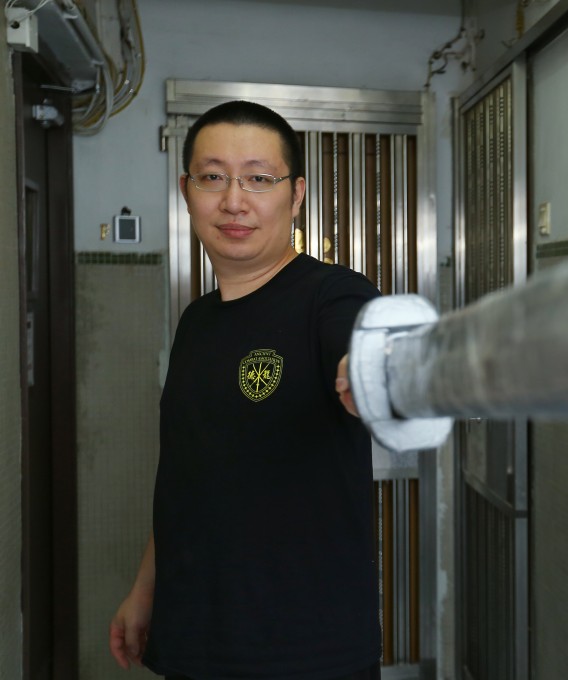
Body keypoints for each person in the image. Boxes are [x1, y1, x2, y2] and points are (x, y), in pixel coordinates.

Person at [109, 100, 382, 680]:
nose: (234, 200)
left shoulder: (331, 295)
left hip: (304, 653)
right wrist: (144, 590)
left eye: (259, 179)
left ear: (297, 192)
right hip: (193, 639)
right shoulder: (197, 322)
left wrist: (370, 367)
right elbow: (185, 472)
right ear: (186, 190)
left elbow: (361, 341)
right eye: (213, 178)